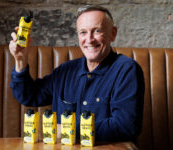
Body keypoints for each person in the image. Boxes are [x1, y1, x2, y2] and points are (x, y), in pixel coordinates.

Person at [9, 5, 145, 142]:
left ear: (113, 33)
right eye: (83, 32)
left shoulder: (127, 69)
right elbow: (29, 96)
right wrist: (20, 59)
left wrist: (69, 130)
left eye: (97, 31)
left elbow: (126, 126)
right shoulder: (65, 71)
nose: (90, 39)